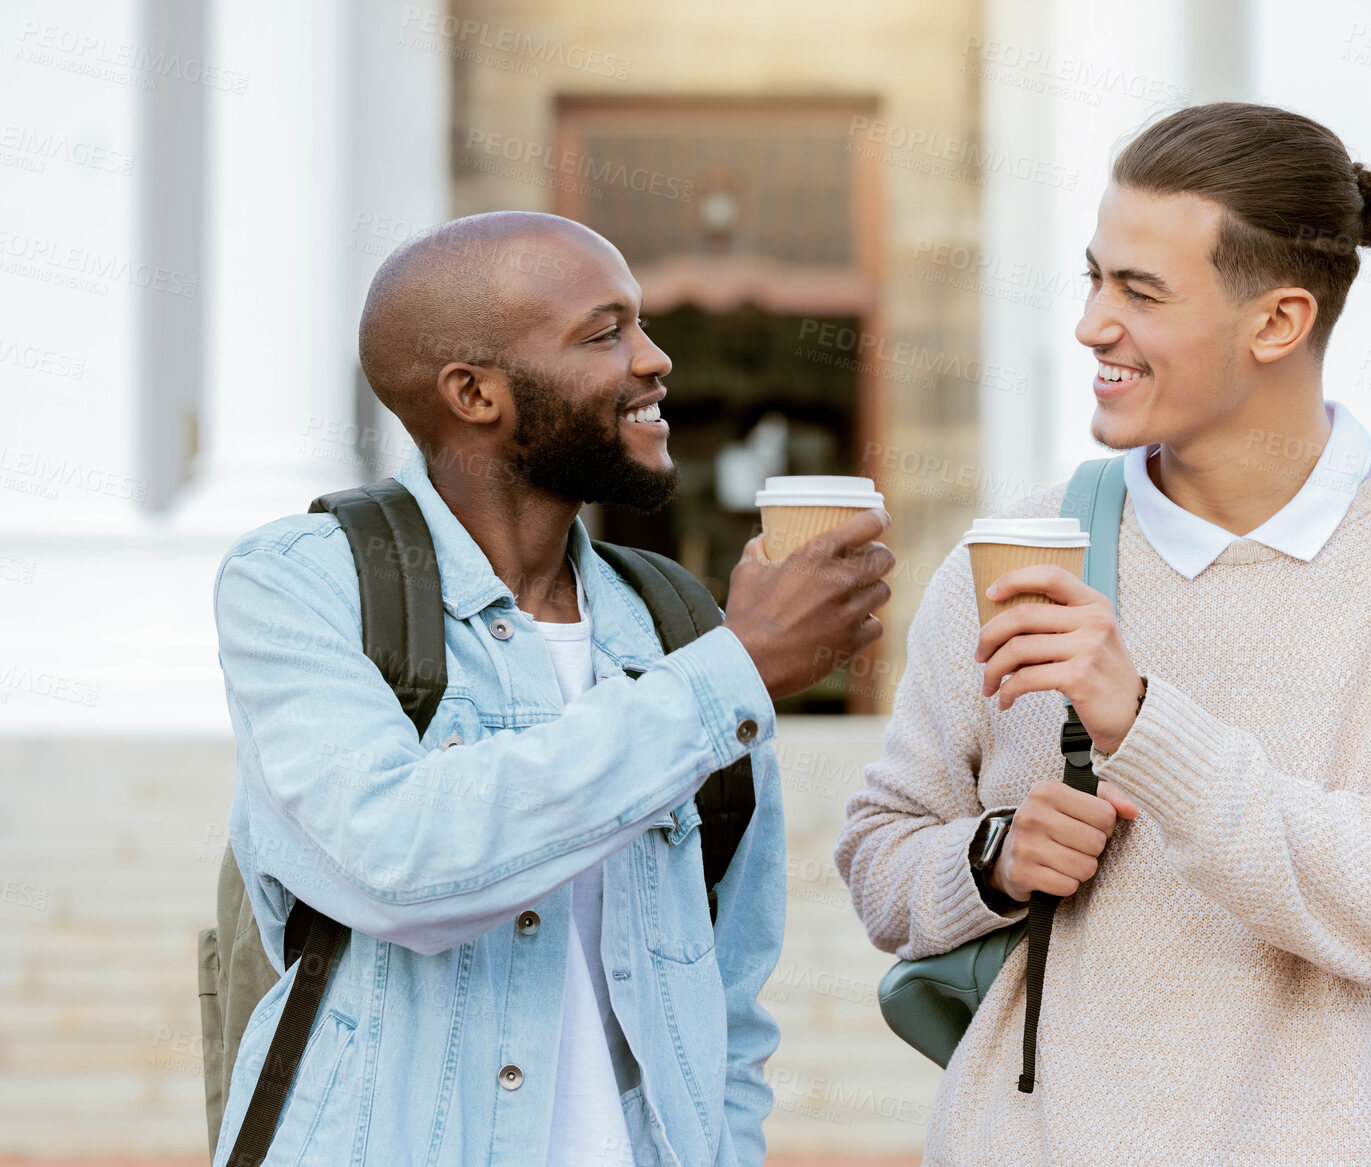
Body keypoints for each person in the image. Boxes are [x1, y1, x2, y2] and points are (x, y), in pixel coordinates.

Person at [835, 102, 1371, 1165]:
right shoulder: (1023, 553)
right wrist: (991, 858)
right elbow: (879, 854)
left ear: (1277, 323)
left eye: (1140, 292)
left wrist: (1141, 721)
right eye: (1095, 278)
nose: (1093, 322)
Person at [210, 211, 893, 1167]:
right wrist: (735, 671)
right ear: (475, 392)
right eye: (604, 332)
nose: (654, 359)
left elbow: (727, 1004)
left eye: (640, 322)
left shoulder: (674, 623)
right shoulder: (297, 582)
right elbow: (399, 863)